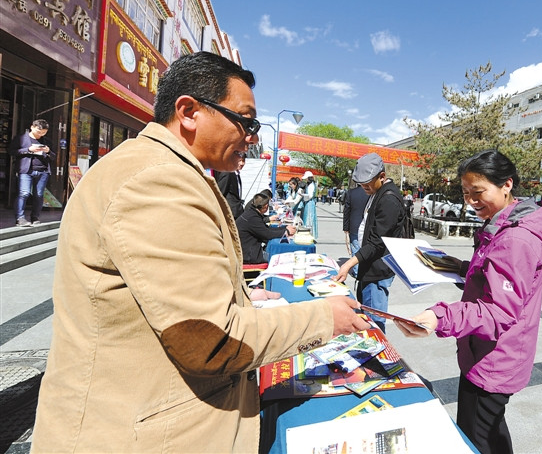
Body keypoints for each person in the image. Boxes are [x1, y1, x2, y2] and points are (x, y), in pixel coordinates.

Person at [31, 52, 369, 452]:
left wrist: (240, 294)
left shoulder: (162, 169)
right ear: (189, 112)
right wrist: (324, 317)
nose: (252, 136)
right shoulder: (156, 182)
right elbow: (211, 340)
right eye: (245, 121)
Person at [395, 149, 542, 454]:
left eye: (478, 192)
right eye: (466, 193)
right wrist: (459, 267)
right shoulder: (503, 223)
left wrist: (439, 317)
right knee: (490, 428)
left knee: (475, 437)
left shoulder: (515, 239)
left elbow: (497, 312)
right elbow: (499, 277)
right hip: (489, 351)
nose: (471, 201)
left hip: (494, 359)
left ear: (506, 184)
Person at [333, 153, 406, 331]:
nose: (364, 187)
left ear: (382, 176)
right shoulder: (376, 192)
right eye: (361, 184)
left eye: (367, 183)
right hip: (370, 264)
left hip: (378, 269)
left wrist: (348, 264)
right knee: (365, 314)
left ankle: (378, 355)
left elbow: (376, 242)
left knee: (374, 322)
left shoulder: (388, 199)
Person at [10, 119, 55, 227]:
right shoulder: (21, 138)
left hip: (42, 171)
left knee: (38, 195)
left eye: (43, 132)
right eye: (38, 132)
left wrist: (48, 151)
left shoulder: (47, 141)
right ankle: (20, 218)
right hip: (26, 170)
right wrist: (28, 149)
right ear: (32, 127)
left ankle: (35, 216)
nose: (41, 134)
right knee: (24, 193)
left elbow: (53, 156)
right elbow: (12, 151)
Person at [237, 193, 297, 264]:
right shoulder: (252, 218)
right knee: (281, 258)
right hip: (249, 255)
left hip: (247, 251)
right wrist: (286, 231)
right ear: (265, 206)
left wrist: (285, 228)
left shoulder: (251, 213)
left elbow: (266, 229)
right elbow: (267, 234)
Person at [342, 183, 367, 278]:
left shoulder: (351, 193)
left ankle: (357, 272)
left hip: (354, 225)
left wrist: (346, 227)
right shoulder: (373, 193)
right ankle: (364, 270)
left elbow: (346, 211)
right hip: (367, 225)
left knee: (356, 248)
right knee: (366, 248)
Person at [299, 170, 318, 238]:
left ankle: (309, 234)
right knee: (307, 217)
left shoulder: (311, 185)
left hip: (309, 203)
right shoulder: (310, 185)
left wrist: (302, 194)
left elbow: (310, 195)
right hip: (308, 202)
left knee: (309, 218)